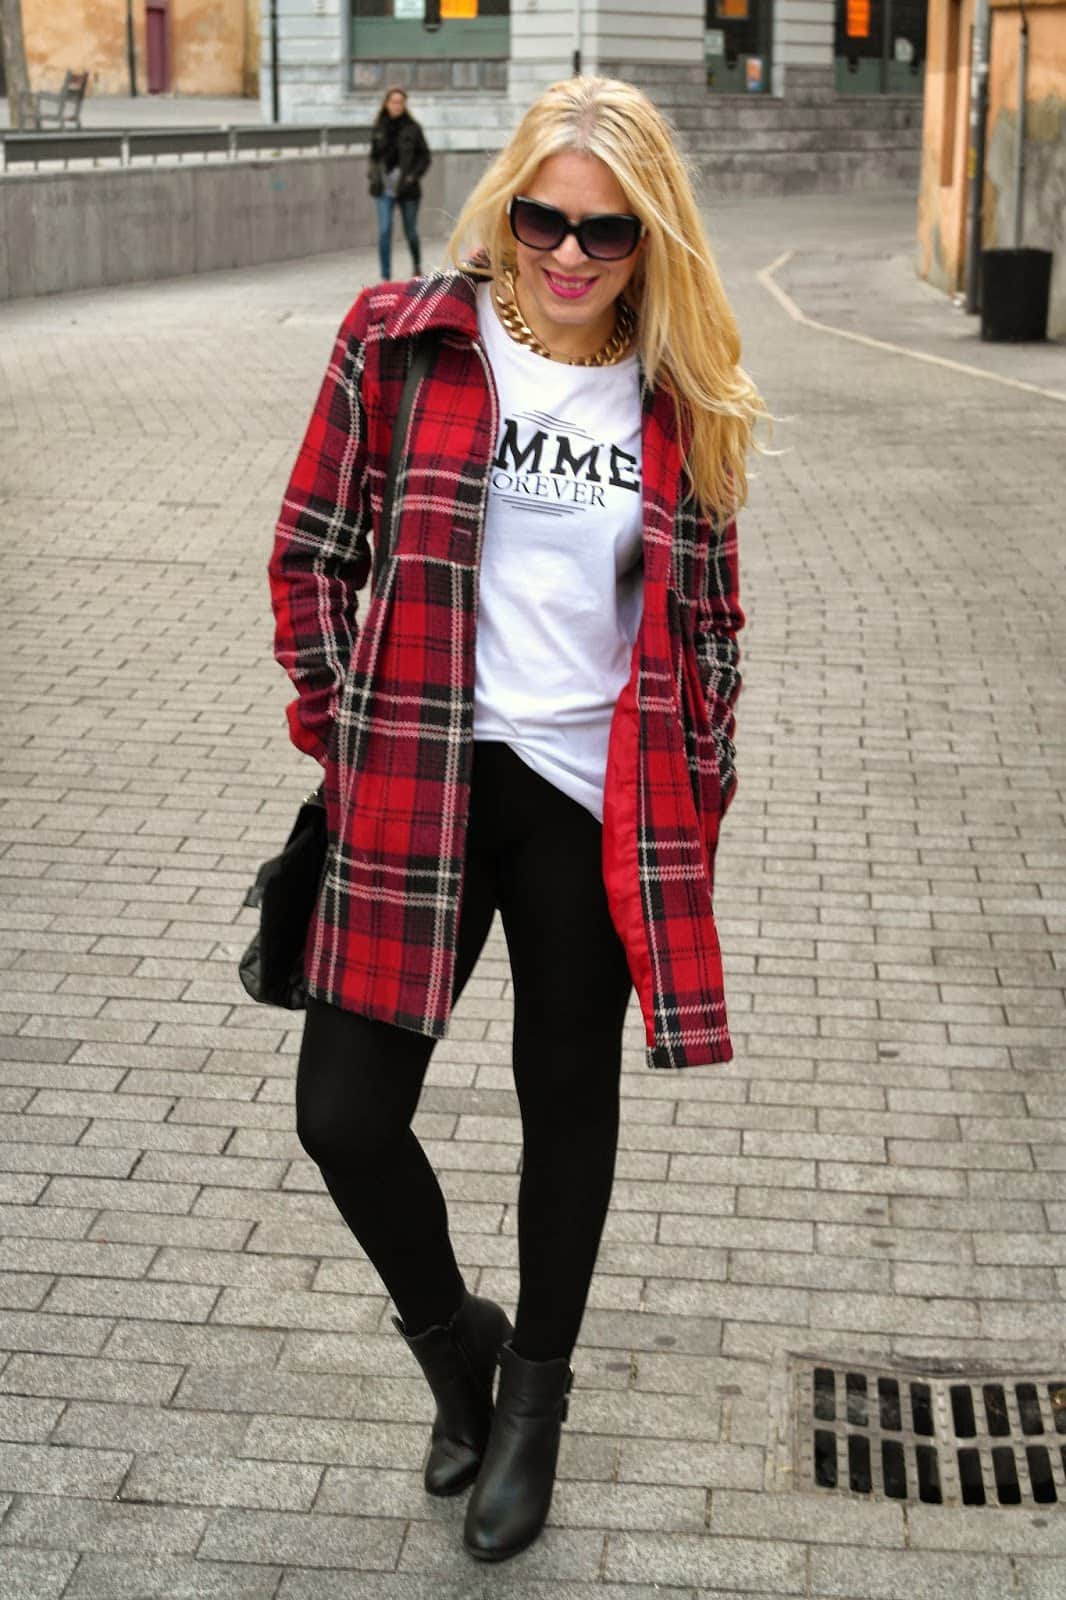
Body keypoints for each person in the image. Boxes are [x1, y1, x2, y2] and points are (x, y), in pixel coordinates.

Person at [269, 75, 766, 1564]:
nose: (566, 254)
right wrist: (340, 728)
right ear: (504, 207)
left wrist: (695, 787)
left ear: (649, 239)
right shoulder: (400, 341)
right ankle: (456, 1352)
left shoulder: (677, 394)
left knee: (567, 1103)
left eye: (605, 232)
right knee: (343, 1115)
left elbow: (708, 620)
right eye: (543, 219)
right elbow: (311, 550)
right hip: (420, 777)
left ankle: (533, 1395)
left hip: (591, 799)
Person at [368, 84, 430, 280]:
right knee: (385, 230)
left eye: (400, 102)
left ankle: (417, 266)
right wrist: (373, 175)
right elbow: (373, 156)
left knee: (410, 231)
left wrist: (413, 177)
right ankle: (385, 276)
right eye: (393, 102)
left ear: (404, 105)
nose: (397, 105)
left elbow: (425, 157)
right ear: (386, 104)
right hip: (383, 188)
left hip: (407, 188)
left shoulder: (413, 128)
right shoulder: (379, 128)